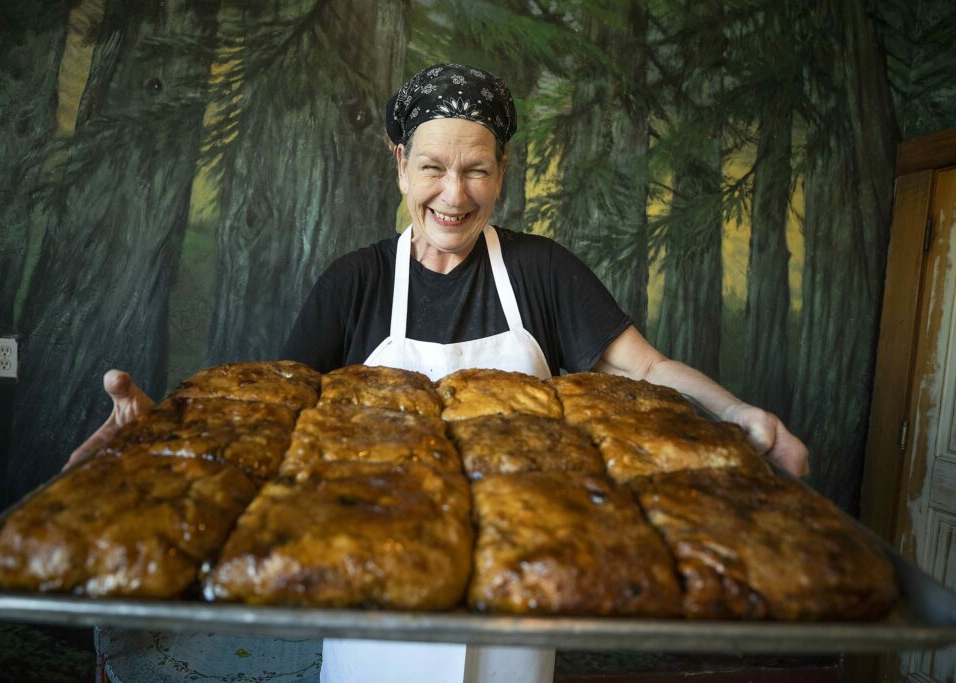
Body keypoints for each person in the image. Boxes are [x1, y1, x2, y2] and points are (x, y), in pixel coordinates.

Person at [70, 64, 808, 683]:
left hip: (518, 602)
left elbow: (646, 368)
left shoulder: (543, 271)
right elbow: (273, 428)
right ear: (400, 162)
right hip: (371, 596)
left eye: (476, 169)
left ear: (503, 170)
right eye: (433, 168)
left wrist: (736, 412)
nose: (454, 196)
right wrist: (156, 440)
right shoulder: (354, 282)